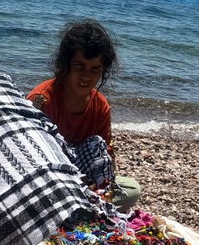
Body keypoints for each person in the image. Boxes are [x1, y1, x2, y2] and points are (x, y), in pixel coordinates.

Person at [27, 19, 140, 210]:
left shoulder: (100, 105)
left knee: (132, 190)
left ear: (103, 72)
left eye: (95, 69)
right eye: (79, 66)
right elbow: (29, 154)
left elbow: (104, 155)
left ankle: (78, 203)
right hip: (48, 176)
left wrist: (95, 183)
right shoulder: (41, 100)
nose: (87, 76)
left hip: (84, 177)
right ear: (65, 65)